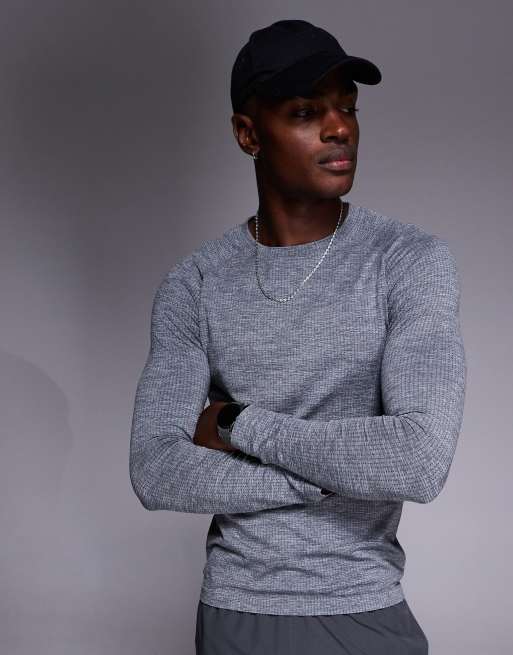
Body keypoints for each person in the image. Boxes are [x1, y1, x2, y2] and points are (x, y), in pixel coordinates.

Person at [129, 19, 466, 655]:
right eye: (307, 112)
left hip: (362, 610)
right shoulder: (195, 284)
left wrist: (235, 423)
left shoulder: (407, 261)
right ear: (248, 133)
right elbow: (157, 469)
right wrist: (331, 476)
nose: (340, 128)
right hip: (235, 614)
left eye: (348, 107)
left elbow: (419, 460)